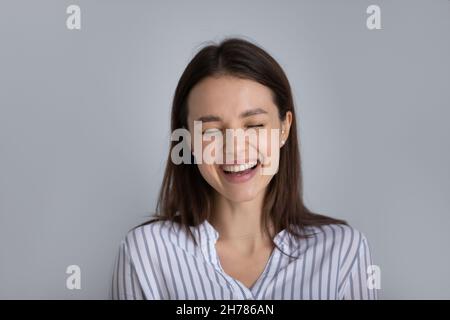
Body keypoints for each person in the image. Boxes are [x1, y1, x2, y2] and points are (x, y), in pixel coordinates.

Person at [111, 37, 378, 300]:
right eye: (211, 130)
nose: (235, 148)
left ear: (284, 128)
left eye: (254, 125)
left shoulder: (344, 252)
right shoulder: (145, 253)